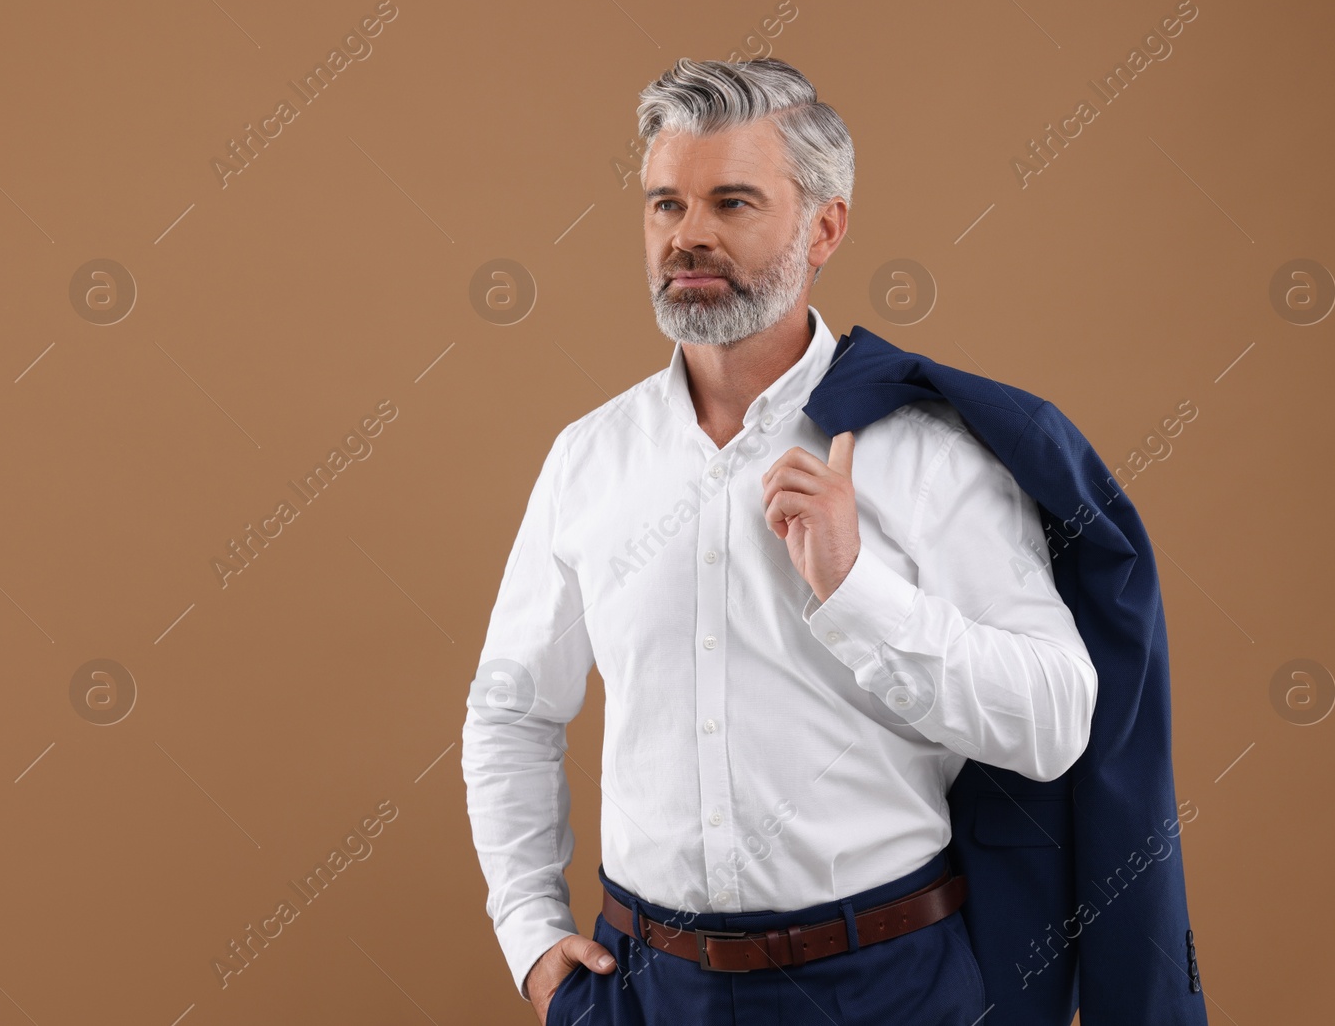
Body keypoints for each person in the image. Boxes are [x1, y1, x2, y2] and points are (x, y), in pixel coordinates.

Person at [461, 57, 1099, 1025]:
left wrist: (854, 586)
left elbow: (1052, 724)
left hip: (886, 984)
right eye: (665, 203)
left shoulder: (925, 452)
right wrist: (528, 929)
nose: (689, 236)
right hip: (645, 987)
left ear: (824, 226)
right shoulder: (590, 456)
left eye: (732, 201)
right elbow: (512, 707)